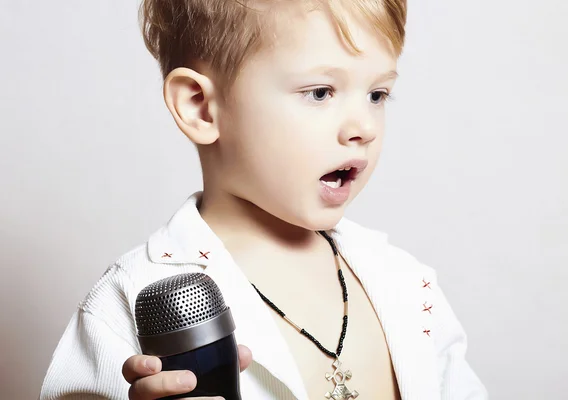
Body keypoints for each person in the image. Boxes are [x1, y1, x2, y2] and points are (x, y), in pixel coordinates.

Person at [40, 0, 488, 399]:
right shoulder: (125, 304)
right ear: (200, 107)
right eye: (320, 92)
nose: (364, 127)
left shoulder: (406, 283)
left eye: (377, 94)